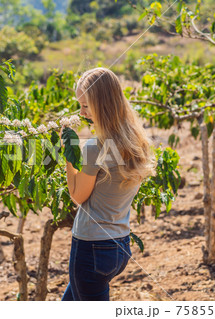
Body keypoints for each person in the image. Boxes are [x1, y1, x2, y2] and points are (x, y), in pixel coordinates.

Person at [61, 67, 155, 301]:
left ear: (101, 105)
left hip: (91, 248)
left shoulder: (94, 148)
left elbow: (77, 195)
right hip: (119, 246)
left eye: (85, 106)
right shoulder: (135, 140)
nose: (81, 113)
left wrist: (68, 154)